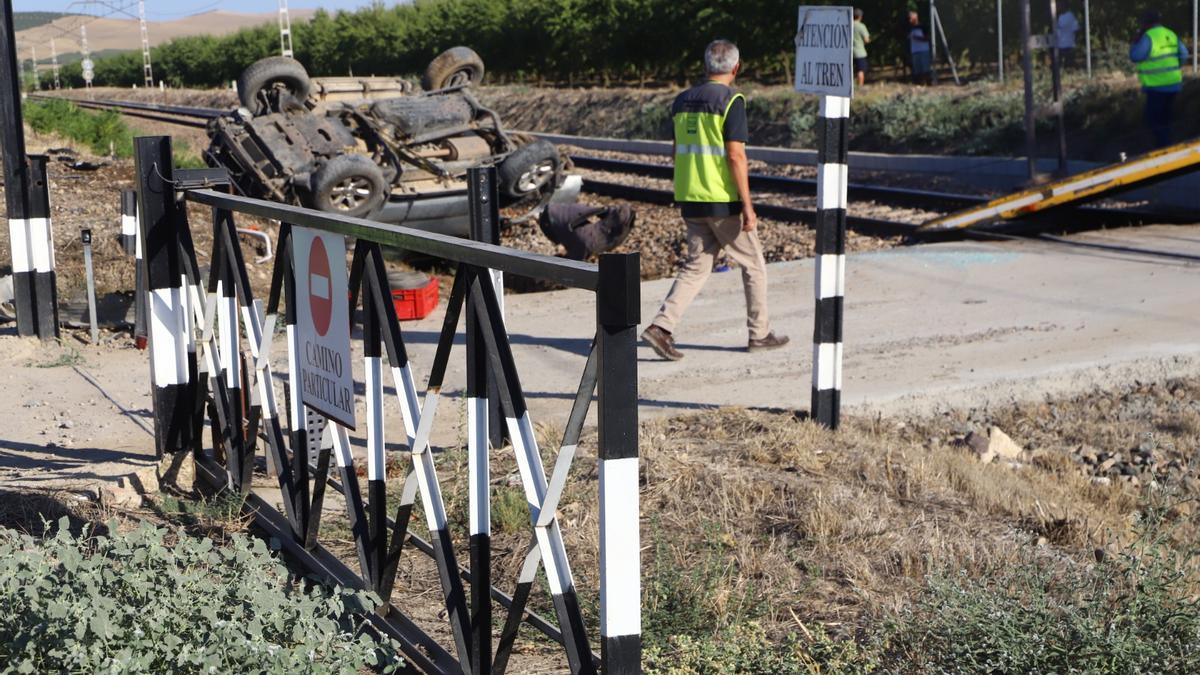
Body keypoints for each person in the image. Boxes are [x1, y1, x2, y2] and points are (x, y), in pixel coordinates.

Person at [640, 39, 788, 361]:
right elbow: (736, 157)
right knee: (755, 265)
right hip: (722, 200)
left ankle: (661, 328)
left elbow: (678, 149)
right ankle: (759, 334)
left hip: (691, 197)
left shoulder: (681, 101)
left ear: (706, 66)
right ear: (736, 67)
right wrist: (747, 205)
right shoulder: (731, 100)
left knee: (697, 266)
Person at [1130, 10, 1188, 147]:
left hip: (1157, 87)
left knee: (1153, 120)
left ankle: (1165, 149)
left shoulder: (1148, 37)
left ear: (1145, 23)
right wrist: (1174, 68)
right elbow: (1184, 53)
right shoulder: (1170, 33)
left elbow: (1136, 56)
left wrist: (1134, 42)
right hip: (1173, 84)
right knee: (1165, 120)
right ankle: (1168, 146)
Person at [908, 11, 932, 85]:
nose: (910, 20)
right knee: (917, 71)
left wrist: (917, 38)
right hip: (915, 51)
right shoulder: (910, 28)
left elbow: (927, 38)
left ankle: (929, 84)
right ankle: (920, 85)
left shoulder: (922, 27)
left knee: (925, 70)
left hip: (923, 50)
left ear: (915, 17)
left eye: (911, 18)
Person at [1055, 1, 1080, 70]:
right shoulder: (1059, 16)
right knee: (1059, 64)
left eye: (1060, 5)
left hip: (1068, 45)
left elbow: (1076, 29)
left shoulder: (1070, 16)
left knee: (1069, 64)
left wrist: (1074, 41)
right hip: (1060, 45)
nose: (1058, 7)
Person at [853, 8, 871, 87]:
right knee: (860, 70)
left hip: (849, 52)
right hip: (859, 52)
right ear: (860, 16)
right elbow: (866, 40)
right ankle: (859, 87)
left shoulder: (848, 25)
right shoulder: (861, 26)